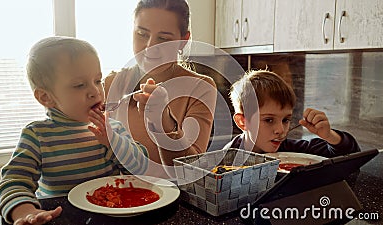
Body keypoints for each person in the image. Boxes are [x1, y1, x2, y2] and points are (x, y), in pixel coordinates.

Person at [0, 36, 148, 225]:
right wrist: (26, 212)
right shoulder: (37, 136)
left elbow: (141, 168)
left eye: (97, 80)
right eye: (79, 85)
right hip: (60, 218)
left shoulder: (112, 129)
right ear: (45, 97)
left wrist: (112, 141)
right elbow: (14, 181)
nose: (95, 91)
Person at [104, 0, 217, 176]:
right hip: (116, 195)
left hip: (172, 198)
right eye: (142, 34)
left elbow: (189, 171)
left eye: (163, 39)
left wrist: (164, 123)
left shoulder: (200, 87)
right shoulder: (112, 82)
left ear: (183, 41)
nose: (150, 47)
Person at [223, 70, 361, 157]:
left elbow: (350, 156)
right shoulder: (226, 160)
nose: (280, 130)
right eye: (269, 120)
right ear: (243, 122)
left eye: (285, 120)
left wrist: (329, 135)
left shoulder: (288, 149)